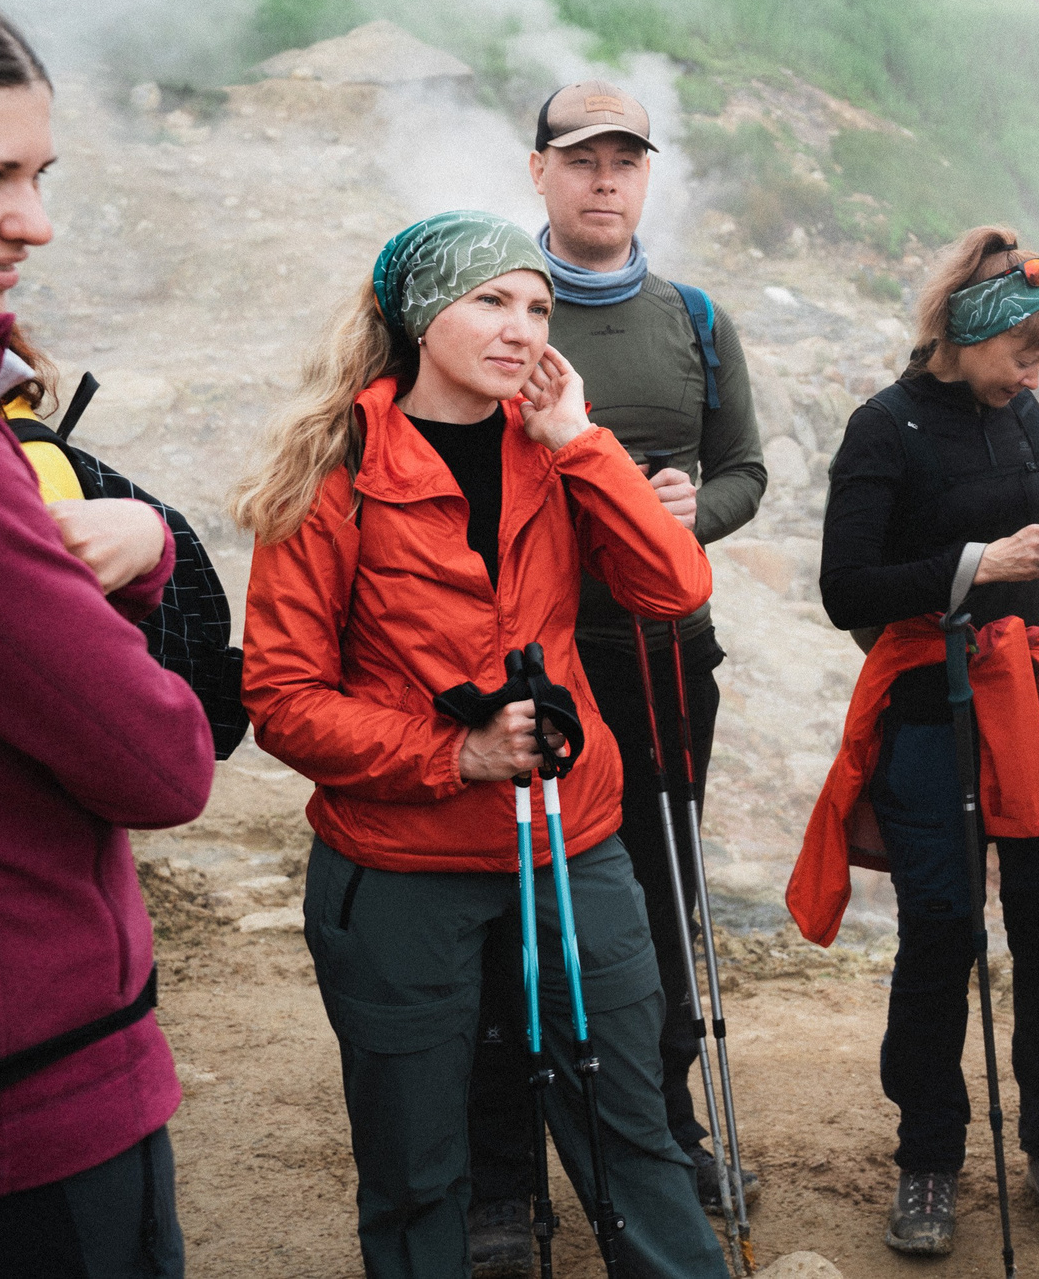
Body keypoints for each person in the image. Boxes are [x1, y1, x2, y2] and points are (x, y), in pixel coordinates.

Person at [233, 211, 724, 1279]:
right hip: (401, 861)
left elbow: (674, 588)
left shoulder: (554, 450)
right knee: (415, 1164)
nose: (522, 328)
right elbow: (281, 696)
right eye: (491, 301)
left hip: (571, 843)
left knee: (634, 1132)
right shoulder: (334, 469)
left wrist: (581, 442)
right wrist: (453, 756)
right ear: (421, 316)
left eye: (538, 307)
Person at [462, 79, 766, 1269]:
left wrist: (695, 511)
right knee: (509, 906)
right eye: (582, 159)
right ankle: (504, 1175)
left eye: (625, 160)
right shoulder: (492, 311)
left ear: (646, 176)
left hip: (658, 659)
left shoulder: (693, 318)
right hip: (522, 666)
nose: (604, 180)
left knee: (654, 899)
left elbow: (743, 472)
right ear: (537, 169)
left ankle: (667, 1136)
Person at [786, 226, 1039, 1257]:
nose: (1035, 376)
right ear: (967, 335)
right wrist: (982, 563)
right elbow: (845, 587)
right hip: (932, 707)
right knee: (941, 933)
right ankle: (928, 1157)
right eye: (1025, 354)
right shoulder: (883, 427)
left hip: (1034, 699)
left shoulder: (1013, 408)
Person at [0, 0, 214, 1275]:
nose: (34, 222)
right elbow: (160, 762)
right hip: (25, 1100)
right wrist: (146, 562)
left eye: (39, 175)